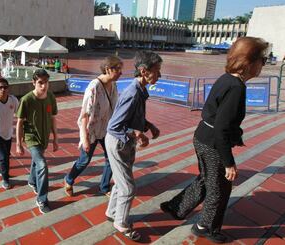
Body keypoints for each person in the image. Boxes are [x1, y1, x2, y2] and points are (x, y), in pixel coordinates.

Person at [160, 37, 268, 244]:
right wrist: (229, 162)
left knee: (207, 178)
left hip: (202, 137)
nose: (263, 65)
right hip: (213, 142)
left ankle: (178, 206)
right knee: (219, 188)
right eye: (262, 60)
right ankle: (205, 227)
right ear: (249, 62)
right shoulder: (236, 87)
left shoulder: (226, 78)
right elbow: (222, 127)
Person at [105, 51, 161, 242]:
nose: (159, 76)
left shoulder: (139, 91)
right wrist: (135, 135)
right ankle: (121, 223)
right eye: (157, 71)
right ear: (144, 71)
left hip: (123, 143)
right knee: (128, 188)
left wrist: (147, 126)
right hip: (118, 143)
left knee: (121, 183)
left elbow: (132, 117)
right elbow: (114, 125)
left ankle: (112, 212)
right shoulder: (132, 93)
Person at [64, 56, 122, 197]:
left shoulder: (113, 84)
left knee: (112, 158)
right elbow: (85, 114)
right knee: (84, 160)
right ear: (108, 69)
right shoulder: (94, 87)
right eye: (118, 69)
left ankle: (104, 186)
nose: (121, 73)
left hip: (107, 129)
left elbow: (114, 108)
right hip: (92, 130)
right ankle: (69, 179)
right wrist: (84, 138)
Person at [16, 69, 58, 214]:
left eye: (46, 82)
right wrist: (18, 144)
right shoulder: (27, 100)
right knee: (42, 165)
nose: (43, 86)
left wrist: (55, 138)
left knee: (36, 161)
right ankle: (42, 199)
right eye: (40, 83)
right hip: (31, 138)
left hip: (44, 138)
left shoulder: (51, 97)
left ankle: (32, 181)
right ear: (34, 83)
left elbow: (53, 118)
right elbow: (19, 122)